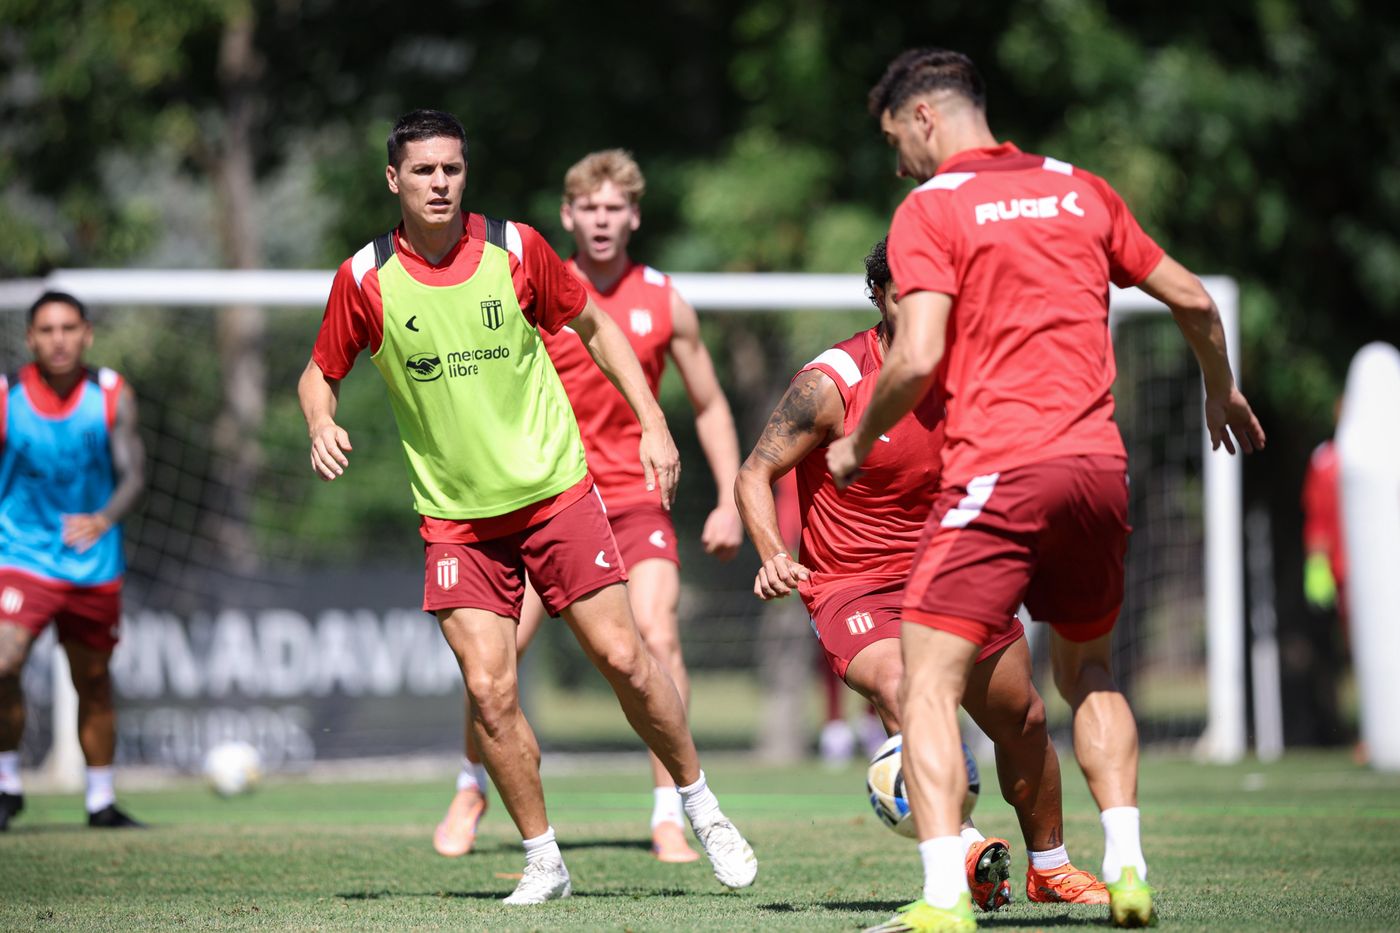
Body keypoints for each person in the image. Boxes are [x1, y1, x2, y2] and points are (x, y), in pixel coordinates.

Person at [830, 50, 1265, 932]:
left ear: (924, 120)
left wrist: (858, 436)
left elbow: (914, 357)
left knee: (927, 681)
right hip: (1098, 469)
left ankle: (946, 898)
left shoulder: (932, 206)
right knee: (1091, 669)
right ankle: (1129, 868)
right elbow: (1194, 302)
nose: (898, 164)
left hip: (999, 471)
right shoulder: (1082, 190)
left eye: (894, 141)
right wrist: (1220, 389)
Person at [298, 110, 755, 905]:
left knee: (625, 657)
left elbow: (598, 328)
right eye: (424, 171)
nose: (440, 183)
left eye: (452, 169)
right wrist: (320, 420)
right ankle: (544, 856)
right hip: (456, 520)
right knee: (490, 688)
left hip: (555, 495)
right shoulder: (365, 278)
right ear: (393, 180)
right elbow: (318, 371)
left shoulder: (517, 249)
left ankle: (699, 803)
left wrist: (653, 422)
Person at [735, 238, 1107, 914]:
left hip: (952, 572)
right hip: (853, 584)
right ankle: (961, 848)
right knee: (904, 687)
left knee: (1022, 715)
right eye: (905, 290)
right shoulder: (832, 382)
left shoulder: (974, 371)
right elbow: (754, 472)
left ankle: (1050, 866)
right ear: (878, 295)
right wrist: (771, 553)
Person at [434, 149, 744, 864]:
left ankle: (670, 809)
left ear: (633, 216)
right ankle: (469, 781)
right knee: (499, 652)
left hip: (636, 502)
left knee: (657, 634)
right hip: (549, 496)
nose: (602, 222)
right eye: (589, 209)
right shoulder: (536, 281)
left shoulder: (665, 299)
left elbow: (709, 403)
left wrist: (728, 498)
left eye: (616, 209)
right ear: (569, 214)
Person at [0, 291, 147, 831]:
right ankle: (7, 783)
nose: (58, 339)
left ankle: (100, 802)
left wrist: (104, 518)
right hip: (21, 556)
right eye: (46, 330)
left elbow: (134, 474)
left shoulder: (111, 394)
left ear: (86, 333)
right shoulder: (6, 396)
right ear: (30, 339)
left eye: (68, 328)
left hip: (92, 562)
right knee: (3, 662)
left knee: (93, 680)